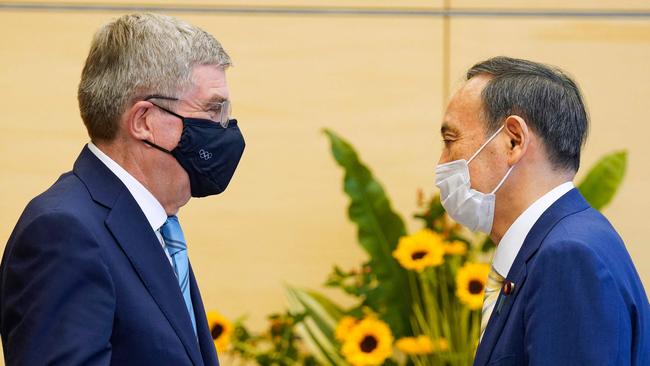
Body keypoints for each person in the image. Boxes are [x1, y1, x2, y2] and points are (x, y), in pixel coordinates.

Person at [0, 13, 245, 365]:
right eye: (213, 110)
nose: (226, 128)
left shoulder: (152, 224)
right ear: (144, 121)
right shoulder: (63, 232)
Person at [435, 56, 649, 365]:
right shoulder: (562, 240)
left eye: (450, 140)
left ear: (513, 140)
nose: (442, 163)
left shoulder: (568, 256)